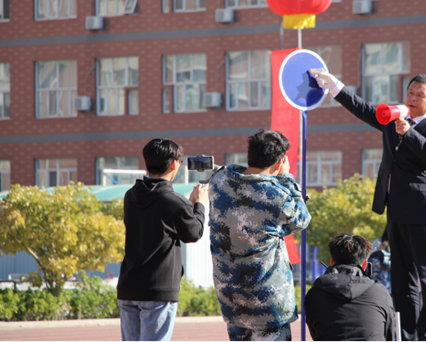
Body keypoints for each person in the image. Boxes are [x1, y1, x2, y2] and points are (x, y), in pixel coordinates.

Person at [311, 70, 426, 342]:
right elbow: (364, 109)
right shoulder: (394, 116)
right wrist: (335, 86)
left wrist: (410, 133)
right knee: (403, 281)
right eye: (410, 93)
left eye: (419, 95)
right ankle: (406, 335)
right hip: (397, 211)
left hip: (424, 214)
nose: (412, 99)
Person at [209, 129, 311, 342]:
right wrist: (287, 178)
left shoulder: (218, 182)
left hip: (231, 300)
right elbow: (301, 219)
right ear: (280, 162)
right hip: (267, 303)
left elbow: (232, 171)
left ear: (248, 156)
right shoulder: (277, 196)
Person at [117, 138, 208, 342]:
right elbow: (193, 233)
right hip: (157, 290)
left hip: (129, 285)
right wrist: (200, 205)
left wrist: (188, 206)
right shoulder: (173, 201)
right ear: (174, 164)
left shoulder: (130, 196)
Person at [305, 234, 396, 342]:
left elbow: (316, 333)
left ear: (332, 261)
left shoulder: (314, 294)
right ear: (365, 264)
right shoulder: (380, 292)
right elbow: (388, 332)